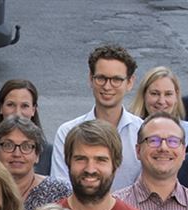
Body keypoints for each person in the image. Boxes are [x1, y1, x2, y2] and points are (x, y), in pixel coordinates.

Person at [52, 44, 144, 190]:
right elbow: (61, 189)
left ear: (130, 82)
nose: (107, 86)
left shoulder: (141, 132)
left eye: (116, 79)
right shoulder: (67, 132)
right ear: (91, 78)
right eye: (101, 78)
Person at [0, 115, 71, 210]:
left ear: (37, 155)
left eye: (26, 146)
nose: (17, 154)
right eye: (8, 145)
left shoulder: (59, 192)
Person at [0, 80, 58, 181]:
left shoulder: (48, 152)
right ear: (1, 108)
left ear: (33, 110)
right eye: (10, 105)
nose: (17, 112)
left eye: (24, 106)